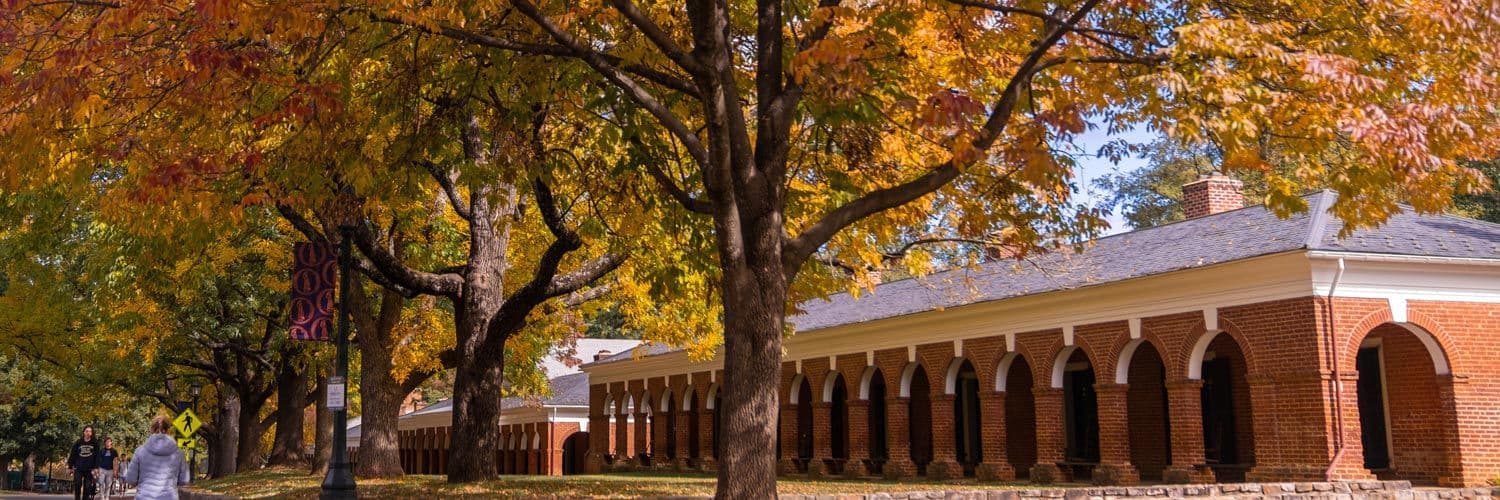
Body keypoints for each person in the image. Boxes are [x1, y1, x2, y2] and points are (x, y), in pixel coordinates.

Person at [124, 416, 189, 500]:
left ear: (152, 430)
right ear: (168, 430)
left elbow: (131, 479)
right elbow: (184, 480)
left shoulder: (140, 451)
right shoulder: (179, 453)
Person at [66, 425, 100, 500]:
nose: (88, 433)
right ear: (84, 432)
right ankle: (77, 498)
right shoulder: (78, 442)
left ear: (92, 433)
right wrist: (70, 467)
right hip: (79, 468)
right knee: (77, 484)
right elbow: (73, 455)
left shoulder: (95, 443)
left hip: (90, 469)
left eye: (90, 431)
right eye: (87, 431)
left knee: (87, 487)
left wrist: (96, 467)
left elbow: (97, 456)